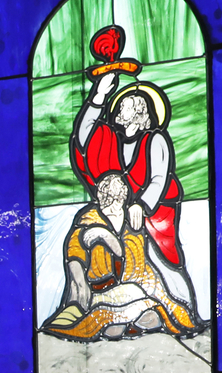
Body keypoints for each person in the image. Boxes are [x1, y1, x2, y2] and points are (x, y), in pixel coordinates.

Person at [68, 71, 198, 318]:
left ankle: (181, 307)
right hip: (117, 210)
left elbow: (159, 178)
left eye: (125, 107)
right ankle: (114, 307)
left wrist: (141, 205)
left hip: (156, 212)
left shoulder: (155, 139)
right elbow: (84, 136)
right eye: (118, 106)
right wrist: (99, 95)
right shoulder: (110, 138)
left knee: (160, 259)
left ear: (140, 112)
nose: (118, 111)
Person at [42, 170, 201, 341]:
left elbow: (139, 266)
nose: (114, 208)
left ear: (122, 200)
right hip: (99, 294)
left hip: (132, 290)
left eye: (117, 201)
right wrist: (80, 282)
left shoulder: (131, 225)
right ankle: (120, 323)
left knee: (152, 316)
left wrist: (108, 238)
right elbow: (74, 255)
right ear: (102, 199)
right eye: (109, 202)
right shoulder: (87, 222)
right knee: (115, 324)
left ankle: (127, 323)